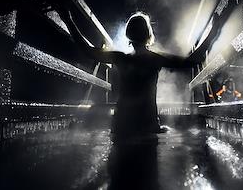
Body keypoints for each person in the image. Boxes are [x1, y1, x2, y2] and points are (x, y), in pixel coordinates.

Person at [59, 10, 194, 136]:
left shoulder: (120, 58)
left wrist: (69, 21)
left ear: (128, 33)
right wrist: (212, 34)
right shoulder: (155, 59)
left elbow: (87, 50)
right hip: (147, 123)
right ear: (148, 34)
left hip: (122, 124)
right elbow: (191, 61)